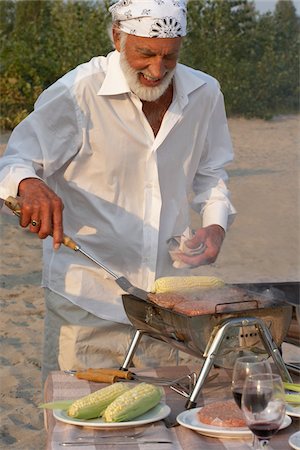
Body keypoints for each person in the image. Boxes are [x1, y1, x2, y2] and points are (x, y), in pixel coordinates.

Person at [0, 0, 236, 384]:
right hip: (87, 302)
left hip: (168, 306)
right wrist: (30, 185)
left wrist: (215, 225)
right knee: (78, 428)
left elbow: (211, 173)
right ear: (117, 37)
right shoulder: (78, 92)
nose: (156, 70)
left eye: (169, 57)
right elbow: (15, 161)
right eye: (145, 53)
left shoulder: (205, 93)